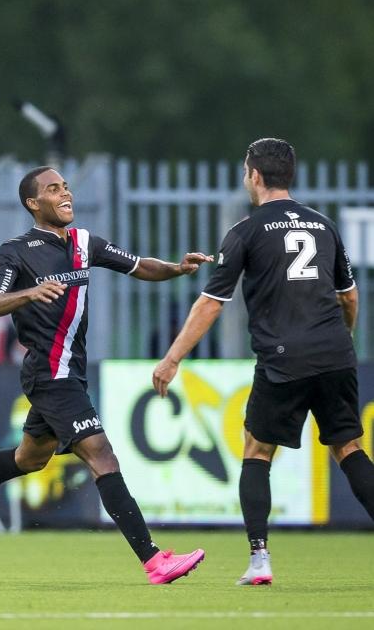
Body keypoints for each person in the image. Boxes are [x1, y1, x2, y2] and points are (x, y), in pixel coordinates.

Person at [0, 166, 211, 585]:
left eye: (66, 187)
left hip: (69, 371)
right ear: (33, 203)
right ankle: (153, 560)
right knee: (102, 455)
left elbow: (140, 266)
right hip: (50, 374)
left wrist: (177, 268)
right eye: (53, 189)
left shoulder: (83, 243)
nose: (65, 193)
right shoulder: (15, 251)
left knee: (29, 458)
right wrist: (29, 292)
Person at [152, 138, 374, 586]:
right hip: (335, 353)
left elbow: (212, 302)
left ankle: (259, 560)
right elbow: (349, 295)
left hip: (282, 359)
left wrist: (172, 357)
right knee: (348, 449)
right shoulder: (324, 226)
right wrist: (342, 338)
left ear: (253, 175)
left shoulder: (246, 231)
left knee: (257, 450)